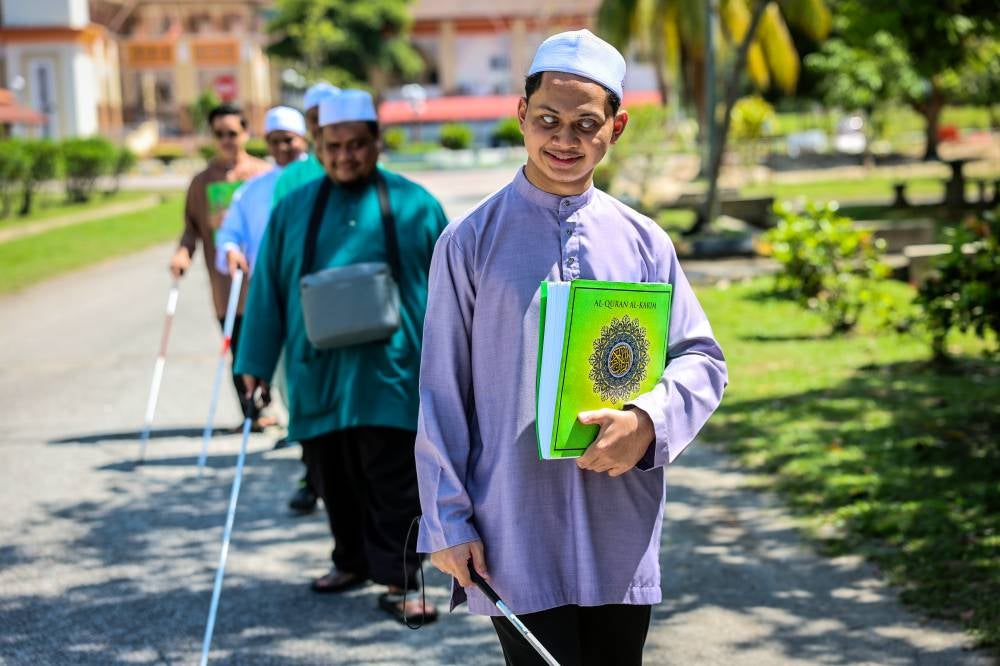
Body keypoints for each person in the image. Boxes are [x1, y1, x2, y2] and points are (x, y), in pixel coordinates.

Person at [414, 29, 728, 664]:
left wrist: (648, 420)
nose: (565, 139)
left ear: (616, 128)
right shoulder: (469, 242)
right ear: (521, 115)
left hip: (620, 517)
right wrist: (447, 522)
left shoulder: (645, 243)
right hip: (513, 524)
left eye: (586, 124)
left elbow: (702, 359)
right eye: (549, 120)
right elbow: (442, 390)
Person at [235, 90, 448, 623]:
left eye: (357, 144)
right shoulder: (292, 209)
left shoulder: (415, 204)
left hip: (392, 373)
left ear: (377, 141)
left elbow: (452, 292)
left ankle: (403, 579)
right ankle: (349, 560)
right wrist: (254, 361)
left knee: (396, 480)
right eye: (333, 146)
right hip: (319, 372)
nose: (345, 156)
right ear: (318, 145)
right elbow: (268, 291)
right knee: (333, 476)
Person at [170, 103, 271, 427]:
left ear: (245, 133)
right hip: (226, 288)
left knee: (271, 349)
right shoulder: (202, 182)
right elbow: (191, 228)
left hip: (266, 282)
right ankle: (252, 415)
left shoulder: (263, 175)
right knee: (240, 351)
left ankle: (272, 403)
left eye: (232, 133)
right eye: (219, 134)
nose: (227, 140)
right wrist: (182, 254)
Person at [271, 82, 339, 206]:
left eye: (328, 116)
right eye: (315, 119)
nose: (322, 125)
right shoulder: (290, 177)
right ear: (307, 122)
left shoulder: (363, 169)